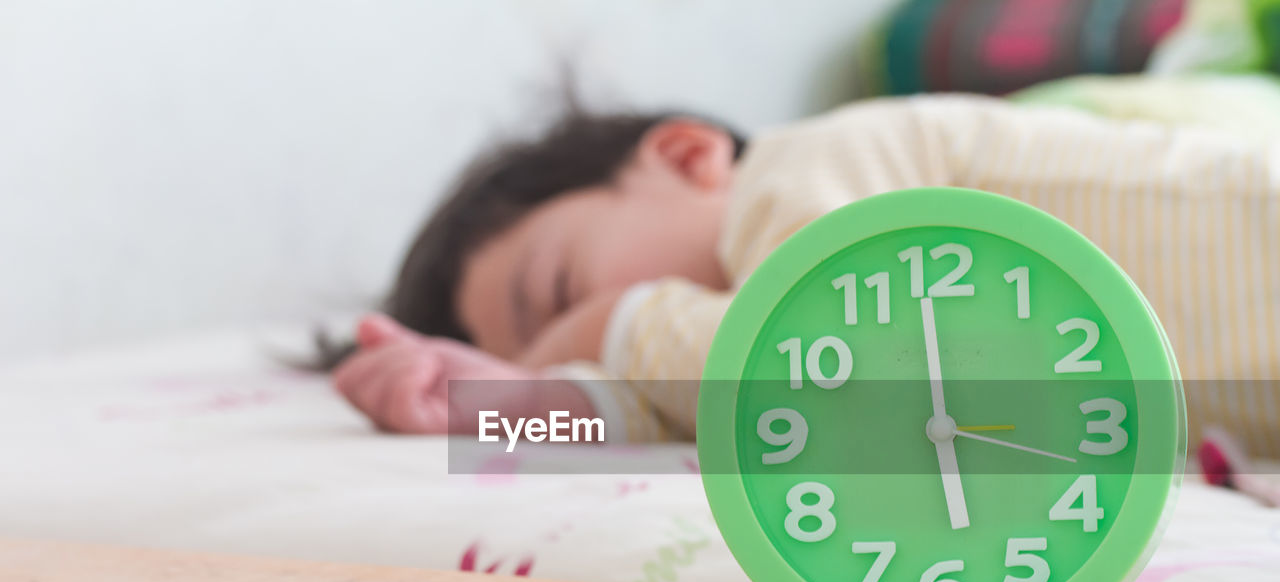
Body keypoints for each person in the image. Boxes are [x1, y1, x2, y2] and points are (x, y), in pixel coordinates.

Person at [332, 87, 1280, 454]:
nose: (595, 321)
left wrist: (610, 323)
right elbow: (617, 405)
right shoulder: (703, 362)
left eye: (561, 292)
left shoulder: (810, 167)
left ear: (688, 159)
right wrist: (486, 404)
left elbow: (846, 367)